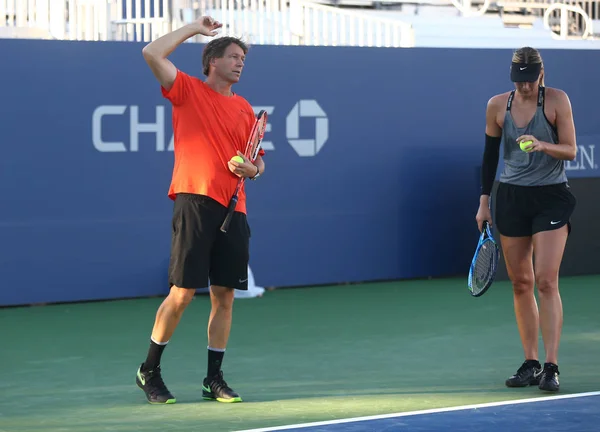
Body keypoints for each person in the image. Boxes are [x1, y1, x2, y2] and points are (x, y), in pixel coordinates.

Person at [135, 16, 265, 404]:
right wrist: (194, 28)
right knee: (182, 293)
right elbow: (151, 52)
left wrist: (252, 170)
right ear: (211, 61)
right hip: (194, 200)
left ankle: (213, 379)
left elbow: (259, 160)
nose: (240, 62)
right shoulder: (186, 89)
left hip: (233, 209)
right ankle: (149, 370)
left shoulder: (245, 108)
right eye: (232, 56)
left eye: (243, 57)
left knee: (224, 297)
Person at [476, 46, 577, 393]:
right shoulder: (496, 106)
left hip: (551, 197)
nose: (524, 88)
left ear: (541, 75)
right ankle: (530, 363)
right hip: (511, 198)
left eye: (529, 81)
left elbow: (571, 150)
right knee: (521, 283)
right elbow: (490, 158)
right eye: (518, 82)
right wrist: (484, 202)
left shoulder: (557, 101)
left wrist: (542, 145)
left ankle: (551, 366)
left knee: (546, 281)